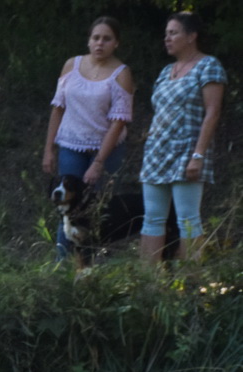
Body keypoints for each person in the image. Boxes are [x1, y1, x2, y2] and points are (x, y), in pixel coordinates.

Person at [42, 16, 135, 261]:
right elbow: (58, 107)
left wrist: (99, 162)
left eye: (107, 39)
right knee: (68, 210)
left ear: (116, 43)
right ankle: (62, 266)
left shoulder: (121, 74)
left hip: (106, 150)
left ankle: (91, 270)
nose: (100, 43)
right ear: (88, 40)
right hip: (70, 145)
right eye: (96, 38)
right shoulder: (71, 66)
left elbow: (119, 121)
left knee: (96, 211)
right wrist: (48, 149)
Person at [139, 11, 227, 264]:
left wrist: (197, 155)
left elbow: (213, 112)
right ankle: (150, 283)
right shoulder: (166, 71)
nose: (167, 38)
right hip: (156, 151)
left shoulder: (209, 65)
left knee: (188, 218)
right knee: (152, 217)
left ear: (191, 36)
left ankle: (190, 283)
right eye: (166, 33)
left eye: (173, 33)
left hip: (188, 151)